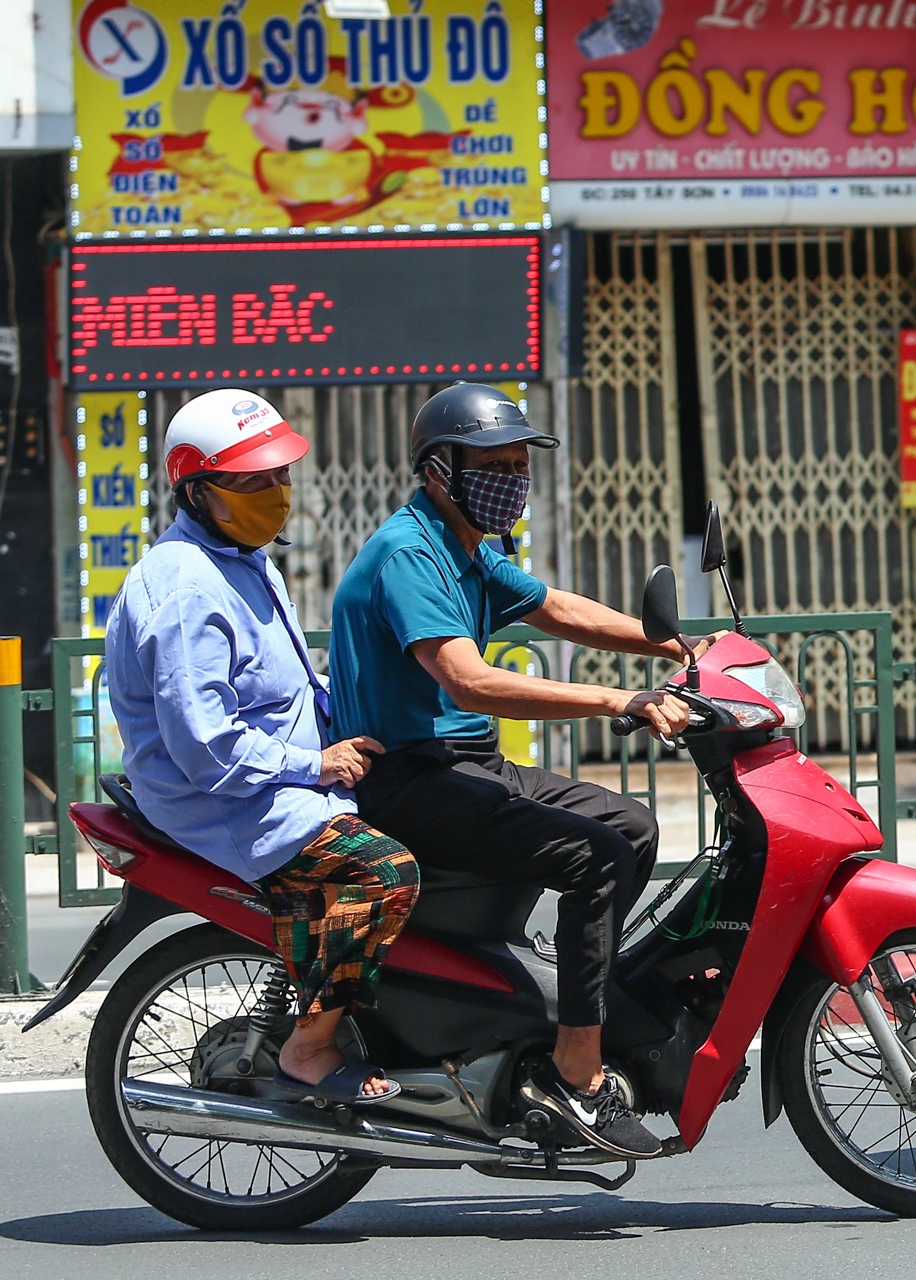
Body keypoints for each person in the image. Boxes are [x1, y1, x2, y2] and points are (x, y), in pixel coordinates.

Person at [326, 382, 695, 1160]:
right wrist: (618, 699)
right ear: (438, 471)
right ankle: (576, 1073)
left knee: (629, 825)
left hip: (469, 763)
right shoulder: (409, 553)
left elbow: (554, 607)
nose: (511, 481)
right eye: (492, 466)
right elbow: (471, 681)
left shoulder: (469, 547)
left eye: (519, 466)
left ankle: (574, 1003)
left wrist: (673, 645)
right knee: (590, 857)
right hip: (409, 778)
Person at [106, 389, 418, 1107]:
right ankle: (309, 1050)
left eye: (279, 476)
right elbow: (207, 748)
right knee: (384, 873)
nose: (274, 493)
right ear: (196, 489)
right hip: (226, 799)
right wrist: (315, 763)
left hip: (276, 778)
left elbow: (291, 687)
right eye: (251, 482)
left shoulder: (245, 560)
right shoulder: (186, 589)